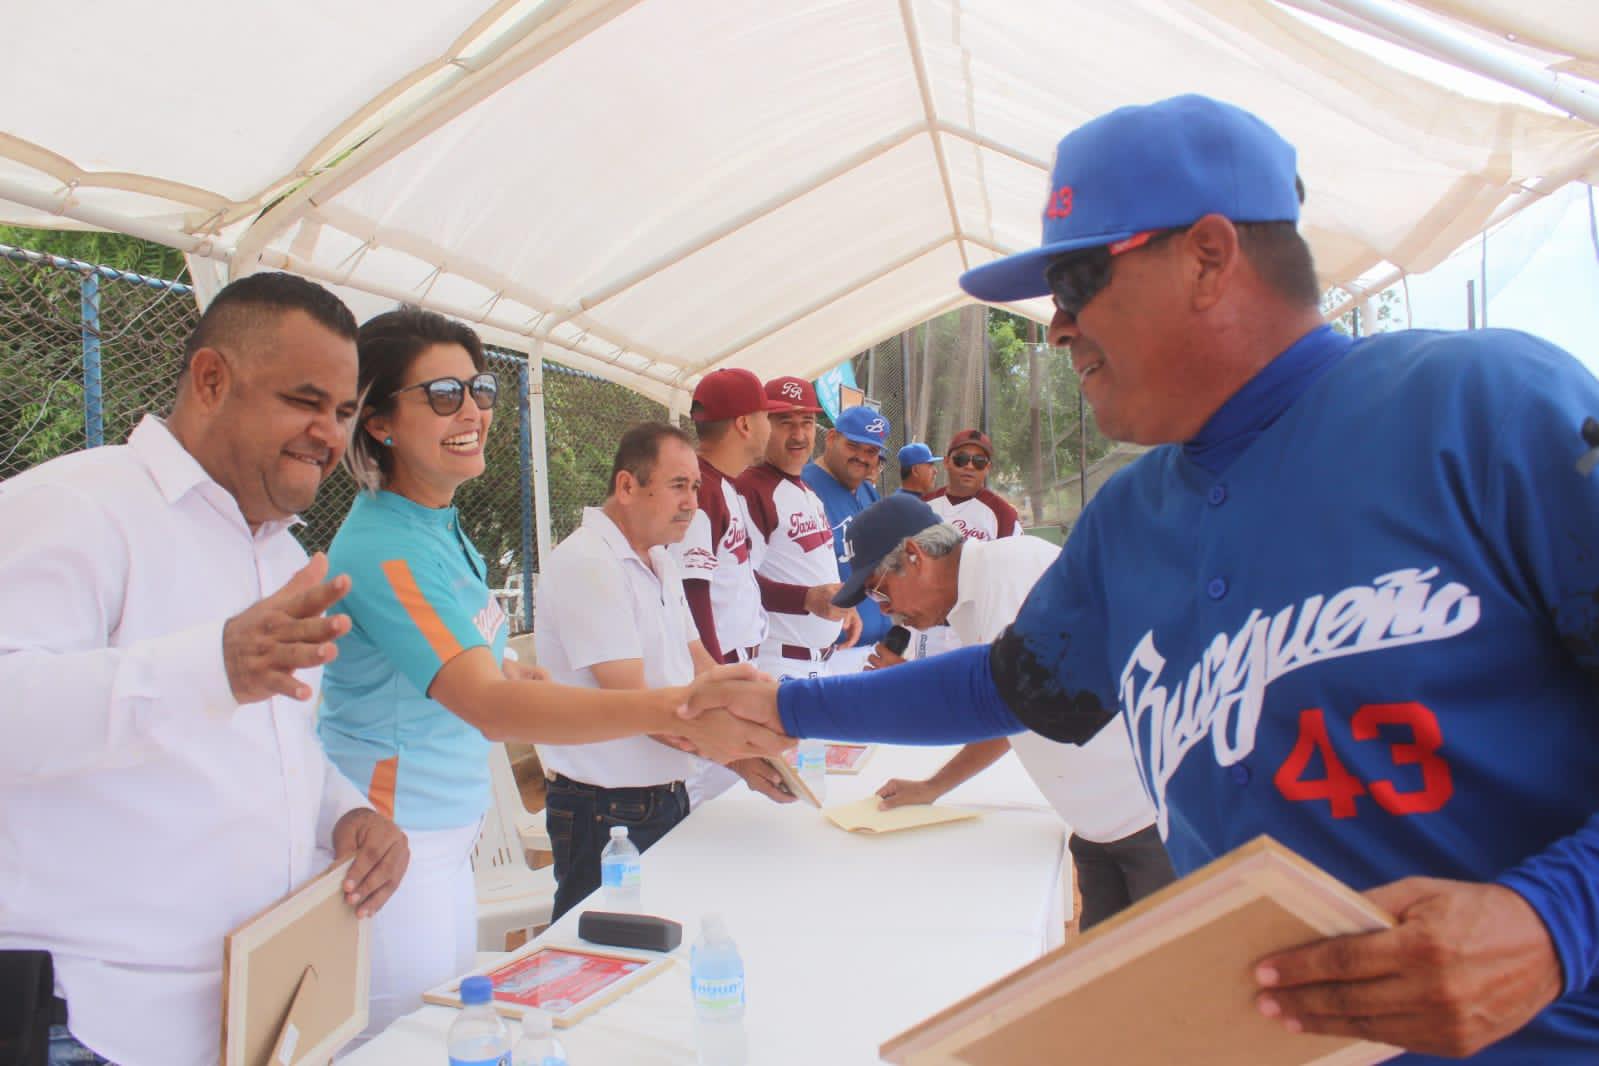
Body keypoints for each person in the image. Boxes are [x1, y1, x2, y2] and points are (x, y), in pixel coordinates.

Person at [687, 94, 1599, 1063]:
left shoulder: (1488, 410)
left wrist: (1556, 923)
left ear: (1209, 256)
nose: (1056, 327)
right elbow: (1005, 683)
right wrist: (788, 703)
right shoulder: (1132, 516)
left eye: (1077, 279)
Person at [318, 311, 785, 1035]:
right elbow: (490, 710)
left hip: (443, 830)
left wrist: (513, 674)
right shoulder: (387, 545)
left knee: (447, 1029)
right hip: (392, 839)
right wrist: (678, 708)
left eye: (479, 388)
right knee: (401, 1039)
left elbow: (472, 667)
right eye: (442, 393)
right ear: (378, 421)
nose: (471, 410)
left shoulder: (437, 526)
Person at [0, 272, 410, 1066]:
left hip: (256, 1015)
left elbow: (276, 738)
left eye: (344, 411)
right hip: (95, 1026)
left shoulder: (281, 552)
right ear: (212, 379)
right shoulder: (76, 506)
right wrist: (210, 666)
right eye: (304, 400)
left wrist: (343, 815)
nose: (328, 432)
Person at [838, 495, 1174, 929]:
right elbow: (1009, 713)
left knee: (1175, 985)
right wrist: (933, 786)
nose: (888, 614)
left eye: (880, 594)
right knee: (1111, 983)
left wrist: (826, 707)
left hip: (1153, 823)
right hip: (1099, 828)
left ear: (915, 557)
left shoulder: (1015, 574)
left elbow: (1004, 705)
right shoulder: (971, 602)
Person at [537, 422, 761, 918]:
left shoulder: (661, 558)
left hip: (663, 794)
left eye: (696, 487)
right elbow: (633, 704)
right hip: (605, 812)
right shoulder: (588, 562)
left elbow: (700, 664)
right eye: (679, 485)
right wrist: (741, 753)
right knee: (595, 956)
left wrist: (756, 705)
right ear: (627, 486)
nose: (693, 503)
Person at [671, 369, 793, 807]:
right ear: (744, 424)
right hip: (716, 680)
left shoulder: (726, 487)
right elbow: (692, 596)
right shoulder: (701, 491)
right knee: (706, 819)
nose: (769, 428)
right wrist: (719, 693)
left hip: (734, 669)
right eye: (766, 417)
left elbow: (738, 584)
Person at [737, 377, 861, 683]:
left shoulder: (807, 492)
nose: (799, 434)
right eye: (785, 422)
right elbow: (737, 582)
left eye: (806, 422)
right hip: (777, 661)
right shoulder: (751, 490)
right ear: (761, 425)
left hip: (820, 662)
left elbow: (807, 569)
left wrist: (844, 606)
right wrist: (805, 599)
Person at [803, 405, 892, 673]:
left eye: (871, 451)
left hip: (874, 650)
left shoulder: (867, 491)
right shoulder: (805, 487)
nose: (862, 458)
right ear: (831, 438)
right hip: (830, 653)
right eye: (854, 446)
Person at [924, 429, 1021, 541]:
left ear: (987, 468)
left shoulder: (1003, 514)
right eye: (961, 459)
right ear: (946, 462)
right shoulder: (922, 506)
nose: (970, 466)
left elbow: (1016, 556)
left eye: (979, 461)